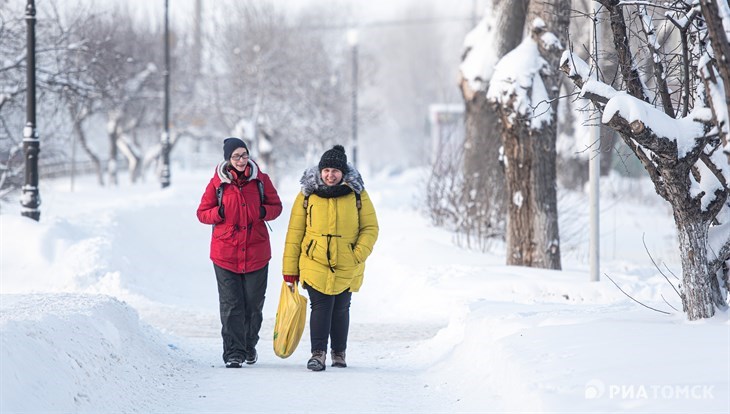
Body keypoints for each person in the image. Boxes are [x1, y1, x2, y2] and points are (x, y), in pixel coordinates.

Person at [282, 145, 379, 371]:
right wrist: (290, 270)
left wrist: (357, 254)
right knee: (321, 306)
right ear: (320, 171)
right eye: (326, 170)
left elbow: (370, 227)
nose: (330, 175)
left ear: (343, 172)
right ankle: (318, 354)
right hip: (314, 260)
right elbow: (294, 233)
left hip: (347, 261)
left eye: (335, 170)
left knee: (341, 307)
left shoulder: (357, 194)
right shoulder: (307, 194)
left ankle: (339, 353)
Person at [196, 137, 282, 368]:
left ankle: (249, 345)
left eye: (244, 155)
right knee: (232, 304)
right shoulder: (217, 184)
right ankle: (234, 352)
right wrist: (219, 214)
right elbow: (202, 212)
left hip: (257, 252)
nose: (242, 160)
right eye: (236, 156)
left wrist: (263, 210)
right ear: (228, 159)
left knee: (253, 304)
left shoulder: (260, 180)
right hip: (225, 253)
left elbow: (277, 207)